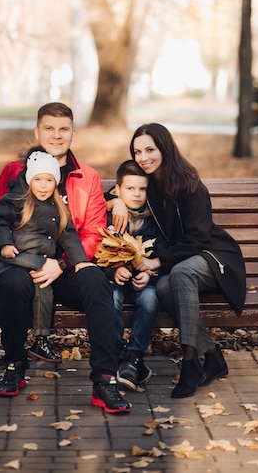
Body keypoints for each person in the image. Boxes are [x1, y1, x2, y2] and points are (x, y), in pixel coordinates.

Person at [0, 102, 131, 413]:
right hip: (23, 263)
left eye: (63, 129)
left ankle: (105, 379)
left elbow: (93, 232)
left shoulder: (85, 177)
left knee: (97, 282)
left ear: (73, 134)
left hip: (67, 268)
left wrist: (61, 265)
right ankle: (14, 365)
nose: (56, 135)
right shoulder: (14, 172)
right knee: (11, 281)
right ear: (37, 131)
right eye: (49, 128)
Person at [111, 123, 246, 399]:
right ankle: (213, 357)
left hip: (214, 258)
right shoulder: (151, 184)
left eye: (150, 149)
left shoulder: (190, 184)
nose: (143, 157)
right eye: (137, 151)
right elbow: (124, 190)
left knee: (181, 273)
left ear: (165, 148)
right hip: (181, 262)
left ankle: (190, 362)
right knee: (162, 289)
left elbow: (198, 239)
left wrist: (157, 262)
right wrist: (116, 202)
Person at [0, 147, 90, 369]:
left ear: (56, 182)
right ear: (29, 180)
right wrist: (4, 243)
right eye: (38, 180)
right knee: (13, 283)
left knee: (45, 291)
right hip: (17, 258)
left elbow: (68, 235)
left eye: (49, 180)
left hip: (43, 262)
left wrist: (80, 261)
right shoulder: (18, 199)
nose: (43, 185)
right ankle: (13, 354)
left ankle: (41, 339)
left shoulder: (58, 208)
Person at [100, 160, 165, 391]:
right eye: (130, 188)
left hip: (143, 281)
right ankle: (117, 355)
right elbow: (97, 251)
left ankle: (134, 357)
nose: (136, 194)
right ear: (117, 190)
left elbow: (162, 252)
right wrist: (114, 269)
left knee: (150, 298)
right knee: (112, 298)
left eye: (142, 189)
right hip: (114, 279)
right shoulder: (108, 216)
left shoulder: (156, 218)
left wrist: (150, 275)